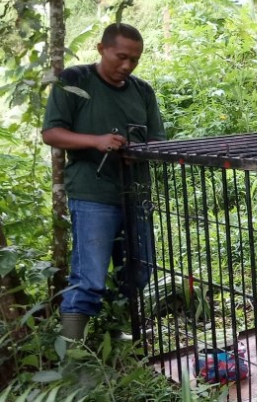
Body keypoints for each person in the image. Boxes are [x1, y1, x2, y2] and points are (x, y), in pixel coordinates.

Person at [42, 23, 166, 340]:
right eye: (121, 57)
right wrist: (96, 141)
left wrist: (138, 149)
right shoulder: (74, 80)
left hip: (135, 194)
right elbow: (52, 133)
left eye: (134, 60)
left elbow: (156, 139)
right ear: (101, 49)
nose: (127, 66)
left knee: (139, 270)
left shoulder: (143, 90)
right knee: (90, 277)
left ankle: (118, 331)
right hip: (92, 193)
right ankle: (71, 353)